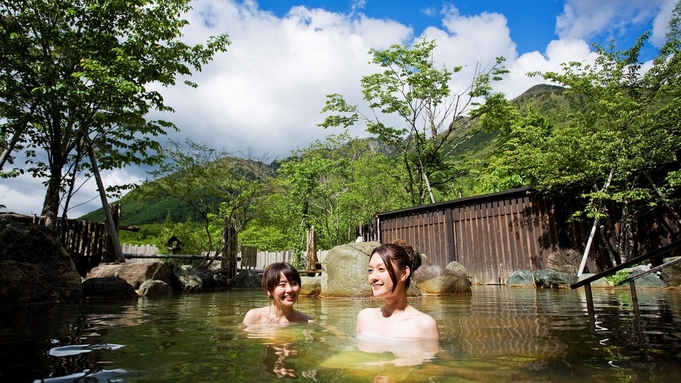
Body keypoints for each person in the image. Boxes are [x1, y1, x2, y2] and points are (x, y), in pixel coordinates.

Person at [356, 243, 439, 340]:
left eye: (381, 269)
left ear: (404, 273)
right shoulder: (364, 317)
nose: (373, 277)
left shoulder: (424, 325)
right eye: (370, 270)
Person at [243, 262, 314, 325]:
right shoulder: (254, 318)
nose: (290, 290)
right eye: (282, 284)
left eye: (294, 283)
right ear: (269, 290)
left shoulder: (306, 322)